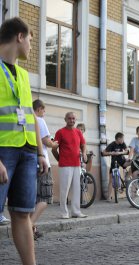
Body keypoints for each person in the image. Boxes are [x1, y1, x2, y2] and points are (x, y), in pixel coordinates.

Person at [0, 17, 48, 265]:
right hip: (3, 151)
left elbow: (29, 116)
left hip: (28, 153)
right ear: (19, 36)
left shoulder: (23, 75)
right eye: (30, 39)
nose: (31, 44)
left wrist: (40, 153)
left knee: (22, 213)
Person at [30, 99, 59, 240]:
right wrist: (55, 144)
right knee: (44, 198)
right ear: (40, 108)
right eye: (44, 110)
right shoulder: (39, 120)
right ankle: (29, 225)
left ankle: (32, 229)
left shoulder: (27, 119)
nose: (44, 113)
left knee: (32, 199)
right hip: (42, 163)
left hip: (28, 163)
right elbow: (47, 141)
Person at [52, 112, 88, 219]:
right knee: (64, 189)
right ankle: (64, 212)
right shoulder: (60, 132)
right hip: (65, 165)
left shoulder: (78, 132)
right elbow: (54, 149)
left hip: (76, 164)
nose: (71, 120)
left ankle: (76, 211)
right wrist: (59, 159)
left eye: (73, 118)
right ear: (65, 119)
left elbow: (83, 144)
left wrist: (84, 153)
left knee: (76, 189)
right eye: (69, 118)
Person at [102, 132, 130, 201]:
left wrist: (120, 153)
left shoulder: (122, 143)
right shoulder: (112, 144)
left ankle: (128, 176)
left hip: (122, 160)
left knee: (131, 163)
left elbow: (127, 151)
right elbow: (104, 152)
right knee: (111, 179)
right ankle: (108, 197)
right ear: (118, 139)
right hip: (114, 162)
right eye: (122, 139)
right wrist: (112, 153)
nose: (123, 140)